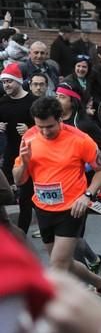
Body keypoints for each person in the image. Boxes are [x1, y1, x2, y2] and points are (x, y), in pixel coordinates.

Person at [12, 96, 101, 333]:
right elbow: (19, 178)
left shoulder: (79, 139)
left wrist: (88, 196)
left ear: (60, 119)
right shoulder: (30, 138)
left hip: (72, 208)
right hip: (43, 207)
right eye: (40, 126)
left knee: (57, 271)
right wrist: (24, 162)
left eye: (49, 126)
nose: (44, 132)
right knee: (66, 264)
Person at [0, 63, 36, 234]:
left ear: (19, 82)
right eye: (4, 82)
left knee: (25, 199)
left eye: (9, 82)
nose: (6, 85)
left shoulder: (32, 102)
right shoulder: (2, 102)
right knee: (5, 193)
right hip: (9, 153)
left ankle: (21, 234)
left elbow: (44, 128)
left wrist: (30, 129)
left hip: (29, 154)